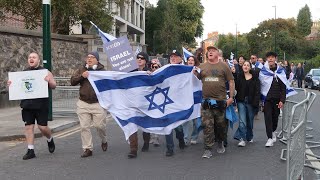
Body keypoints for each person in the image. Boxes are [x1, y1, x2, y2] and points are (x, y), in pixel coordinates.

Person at [7, 52, 56, 160]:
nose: (31, 59)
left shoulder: (45, 72)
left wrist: (49, 81)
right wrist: (11, 85)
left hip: (41, 105)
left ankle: (50, 138)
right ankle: (30, 150)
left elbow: (54, 85)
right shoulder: (23, 73)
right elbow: (18, 87)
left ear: (38, 60)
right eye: (29, 57)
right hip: (27, 105)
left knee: (42, 127)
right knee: (29, 127)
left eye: (34, 57)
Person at [196, 46, 235, 158]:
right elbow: (195, 80)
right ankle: (208, 149)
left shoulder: (224, 66)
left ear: (218, 54)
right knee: (207, 126)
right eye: (209, 51)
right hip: (206, 103)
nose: (210, 52)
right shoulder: (202, 66)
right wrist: (194, 73)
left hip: (220, 102)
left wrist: (231, 97)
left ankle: (220, 142)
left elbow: (231, 81)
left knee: (220, 125)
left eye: (213, 51)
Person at [71, 52, 108, 158]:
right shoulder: (82, 69)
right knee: (84, 127)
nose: (90, 59)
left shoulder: (102, 71)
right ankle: (87, 148)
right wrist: (82, 77)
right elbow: (72, 81)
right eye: (88, 57)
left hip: (98, 104)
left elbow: (108, 85)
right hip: (83, 103)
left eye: (92, 57)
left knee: (99, 126)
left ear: (97, 60)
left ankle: (104, 140)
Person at [126, 52, 151, 158]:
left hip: (145, 103)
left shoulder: (149, 72)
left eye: (142, 58)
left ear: (145, 61)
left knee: (145, 125)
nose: (139, 60)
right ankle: (133, 149)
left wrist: (151, 76)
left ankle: (146, 142)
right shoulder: (131, 72)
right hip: (132, 102)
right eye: (137, 58)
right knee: (132, 124)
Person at [260, 52, 286, 147]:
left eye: (272, 57)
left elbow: (283, 88)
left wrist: (282, 100)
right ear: (267, 59)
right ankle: (269, 138)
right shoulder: (263, 71)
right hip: (267, 99)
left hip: (276, 99)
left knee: (275, 118)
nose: (270, 59)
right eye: (268, 57)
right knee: (268, 118)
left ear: (275, 59)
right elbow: (260, 84)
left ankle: (273, 131)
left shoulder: (280, 71)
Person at [233, 61, 260, 146]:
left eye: (248, 65)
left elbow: (257, 92)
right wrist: (233, 74)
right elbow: (234, 86)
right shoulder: (239, 76)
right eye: (244, 65)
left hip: (251, 102)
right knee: (242, 121)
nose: (246, 66)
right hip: (241, 101)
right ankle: (242, 138)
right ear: (242, 67)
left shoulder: (255, 78)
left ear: (250, 68)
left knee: (249, 120)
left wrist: (256, 102)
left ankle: (249, 136)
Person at [164, 50, 186, 156]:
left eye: (175, 56)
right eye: (171, 56)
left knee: (178, 127)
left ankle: (181, 138)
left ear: (180, 58)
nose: (173, 58)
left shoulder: (185, 70)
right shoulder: (165, 69)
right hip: (167, 102)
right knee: (168, 125)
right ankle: (170, 148)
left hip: (178, 102)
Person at [183, 56, 201, 145]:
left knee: (197, 121)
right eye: (189, 60)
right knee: (186, 120)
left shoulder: (199, 71)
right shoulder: (184, 71)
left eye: (192, 60)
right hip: (186, 98)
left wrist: (196, 73)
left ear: (195, 62)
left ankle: (194, 136)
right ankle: (185, 139)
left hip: (197, 98)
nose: (190, 61)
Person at [149, 59, 161, 147]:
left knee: (156, 119)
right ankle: (152, 136)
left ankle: (156, 137)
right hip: (149, 100)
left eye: (156, 67)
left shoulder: (162, 75)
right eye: (152, 66)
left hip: (159, 99)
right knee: (150, 119)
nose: (154, 68)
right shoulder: (147, 74)